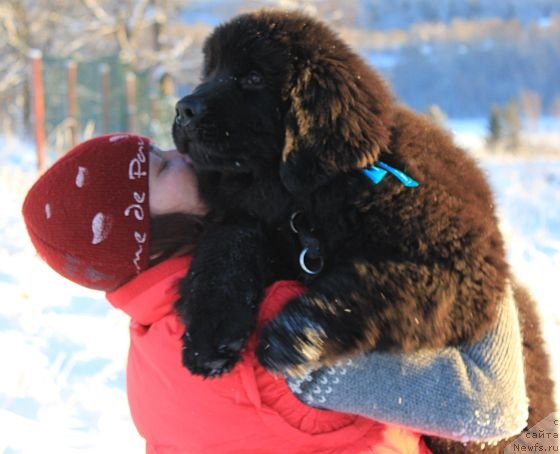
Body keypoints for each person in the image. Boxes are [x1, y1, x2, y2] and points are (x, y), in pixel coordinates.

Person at [22, 133, 528, 454]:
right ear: (146, 236)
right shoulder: (263, 328)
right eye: (160, 166)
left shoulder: (150, 340)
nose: (182, 154)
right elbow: (487, 407)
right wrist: (472, 247)